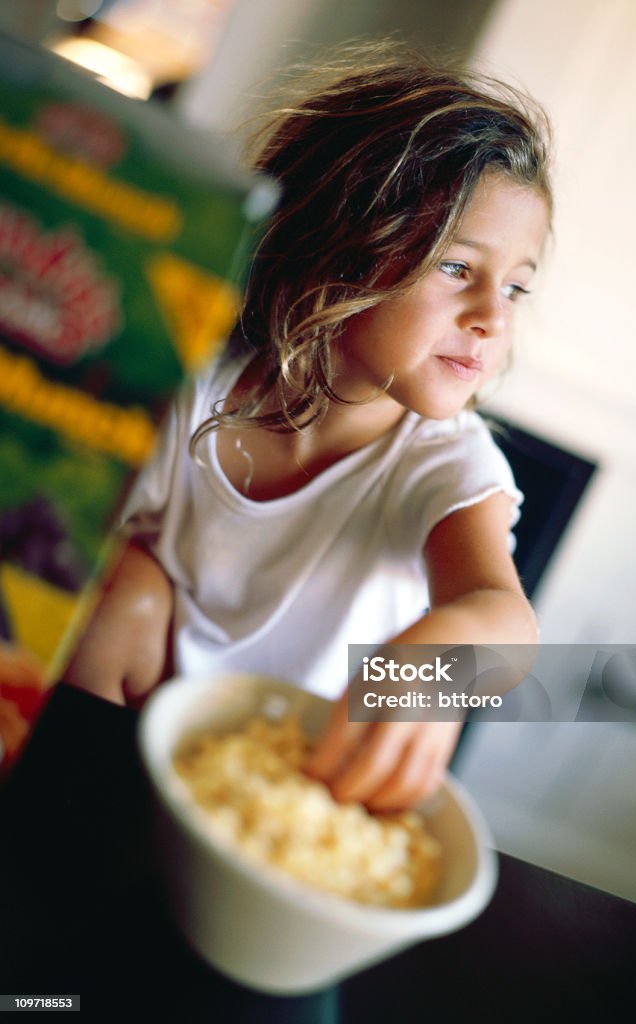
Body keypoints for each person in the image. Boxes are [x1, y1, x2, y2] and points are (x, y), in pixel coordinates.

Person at [64, 42, 551, 812]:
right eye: (457, 269)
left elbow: (502, 616)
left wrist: (435, 669)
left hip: (298, 778)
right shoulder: (194, 384)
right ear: (340, 246)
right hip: (138, 732)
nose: (493, 318)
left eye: (517, 288)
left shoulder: (446, 466)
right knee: (122, 584)